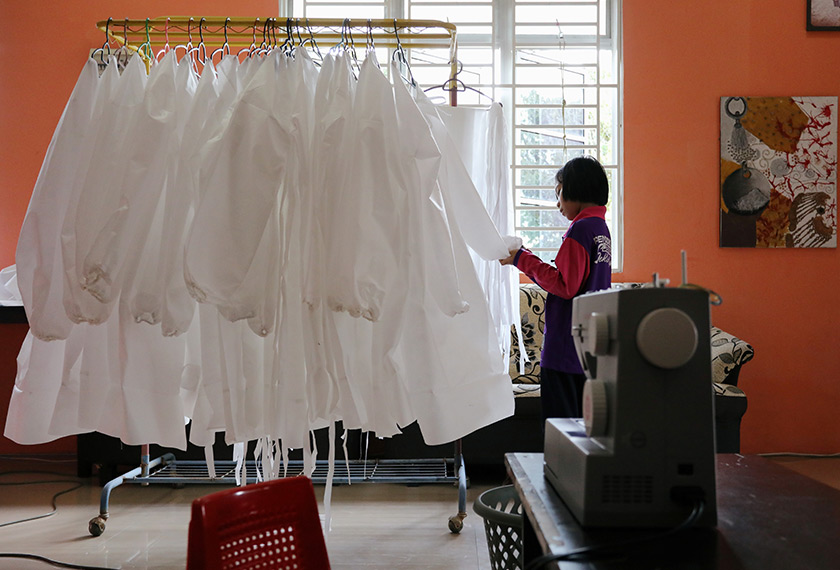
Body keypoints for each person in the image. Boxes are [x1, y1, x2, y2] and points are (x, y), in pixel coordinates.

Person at [500, 155, 612, 426]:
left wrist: (521, 259)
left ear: (576, 190)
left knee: (560, 430)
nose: (558, 204)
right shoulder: (600, 229)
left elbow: (565, 285)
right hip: (590, 349)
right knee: (584, 430)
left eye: (559, 194)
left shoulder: (579, 231)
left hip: (565, 348)